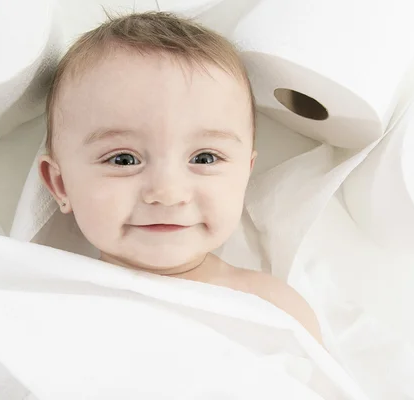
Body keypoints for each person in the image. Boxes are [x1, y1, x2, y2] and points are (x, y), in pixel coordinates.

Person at [39, 11, 323, 344]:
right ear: (60, 185)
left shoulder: (273, 309)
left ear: (244, 175)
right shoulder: (48, 309)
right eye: (123, 159)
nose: (167, 193)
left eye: (204, 158)